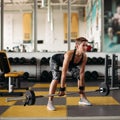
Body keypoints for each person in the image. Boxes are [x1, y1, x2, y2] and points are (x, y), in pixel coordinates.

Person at [47, 37, 92, 111]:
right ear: (77, 46)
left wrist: (81, 89)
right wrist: (62, 89)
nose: (86, 47)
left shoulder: (84, 57)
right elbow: (64, 73)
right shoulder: (69, 54)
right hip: (55, 60)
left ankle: (82, 98)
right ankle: (50, 102)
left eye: (86, 45)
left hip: (69, 64)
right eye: (83, 45)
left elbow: (81, 73)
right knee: (56, 77)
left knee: (79, 74)